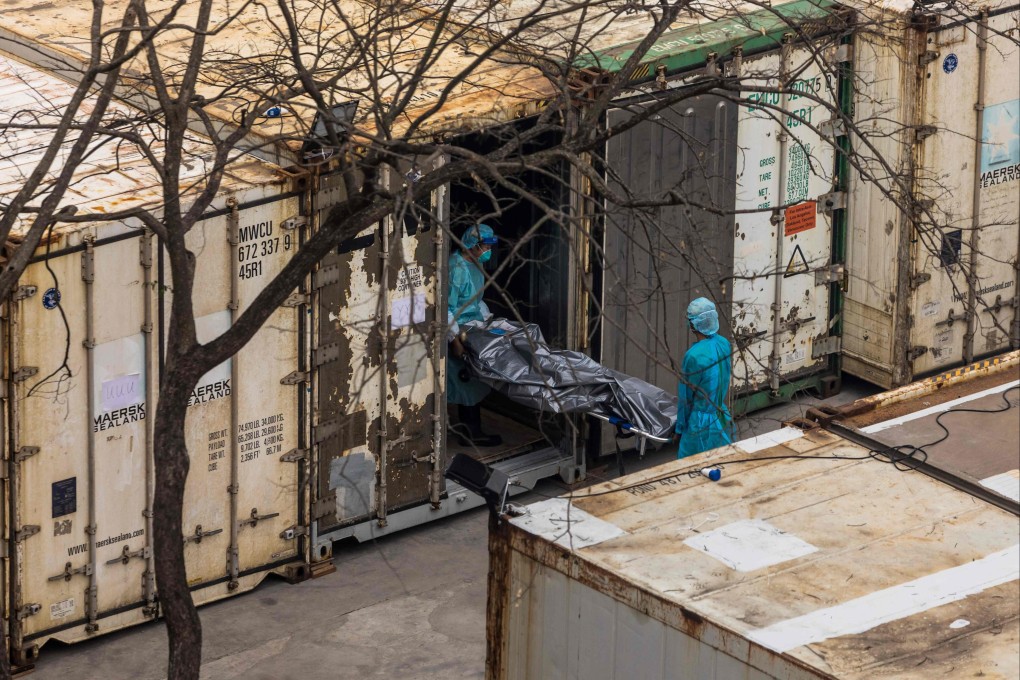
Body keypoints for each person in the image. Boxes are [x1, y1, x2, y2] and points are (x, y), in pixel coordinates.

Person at [447, 224, 503, 447]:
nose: (488, 250)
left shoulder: (475, 263)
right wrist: (454, 339)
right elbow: (446, 307)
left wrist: (486, 320)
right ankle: (470, 432)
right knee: (464, 381)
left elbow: (475, 300)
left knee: (472, 380)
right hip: (458, 329)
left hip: (472, 324)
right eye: (485, 246)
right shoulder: (456, 269)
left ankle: (470, 430)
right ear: (472, 245)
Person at [675, 297, 734, 458]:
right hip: (721, 414)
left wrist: (679, 429)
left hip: (700, 423)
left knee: (691, 468)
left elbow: (685, 398)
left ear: (694, 324)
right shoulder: (724, 344)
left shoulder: (693, 356)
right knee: (722, 461)